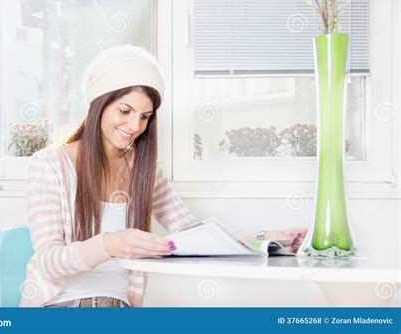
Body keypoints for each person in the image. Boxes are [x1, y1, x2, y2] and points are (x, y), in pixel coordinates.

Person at [20, 45, 306, 308]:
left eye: (145, 116)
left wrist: (266, 237)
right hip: (59, 306)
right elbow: (48, 262)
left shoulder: (142, 172)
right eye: (125, 110)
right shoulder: (48, 166)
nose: (134, 125)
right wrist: (109, 244)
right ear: (99, 104)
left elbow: (197, 234)